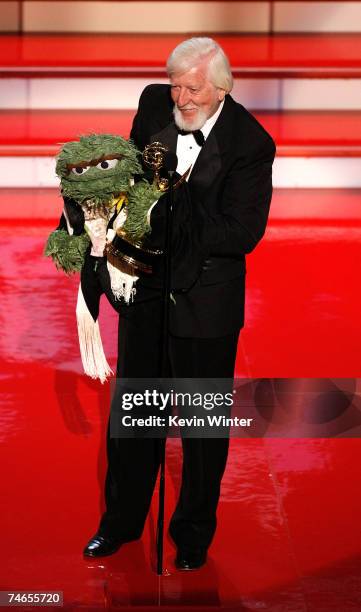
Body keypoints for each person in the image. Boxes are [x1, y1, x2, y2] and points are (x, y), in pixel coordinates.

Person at [83, 37, 276, 570]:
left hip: (206, 305)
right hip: (145, 295)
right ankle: (118, 524)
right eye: (176, 86)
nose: (182, 98)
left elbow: (242, 232)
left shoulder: (250, 143)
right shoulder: (152, 105)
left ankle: (192, 536)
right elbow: (126, 177)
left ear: (221, 89)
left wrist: (174, 218)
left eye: (193, 89)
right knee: (133, 422)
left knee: (202, 433)